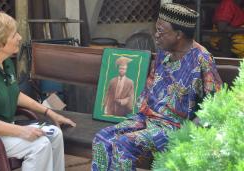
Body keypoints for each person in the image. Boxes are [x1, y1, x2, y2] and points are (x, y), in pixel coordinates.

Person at [92, 3, 222, 171]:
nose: (156, 35)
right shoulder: (164, 52)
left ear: (178, 34)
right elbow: (150, 87)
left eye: (161, 31)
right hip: (147, 118)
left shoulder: (202, 59)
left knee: (124, 144)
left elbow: (216, 102)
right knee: (102, 137)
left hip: (174, 127)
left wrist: (190, 131)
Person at [0, 12, 76, 171]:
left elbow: (14, 94)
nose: (20, 37)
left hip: (4, 131)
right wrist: (20, 131)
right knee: (39, 145)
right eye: (14, 34)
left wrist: (49, 112)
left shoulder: (5, 62)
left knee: (54, 134)